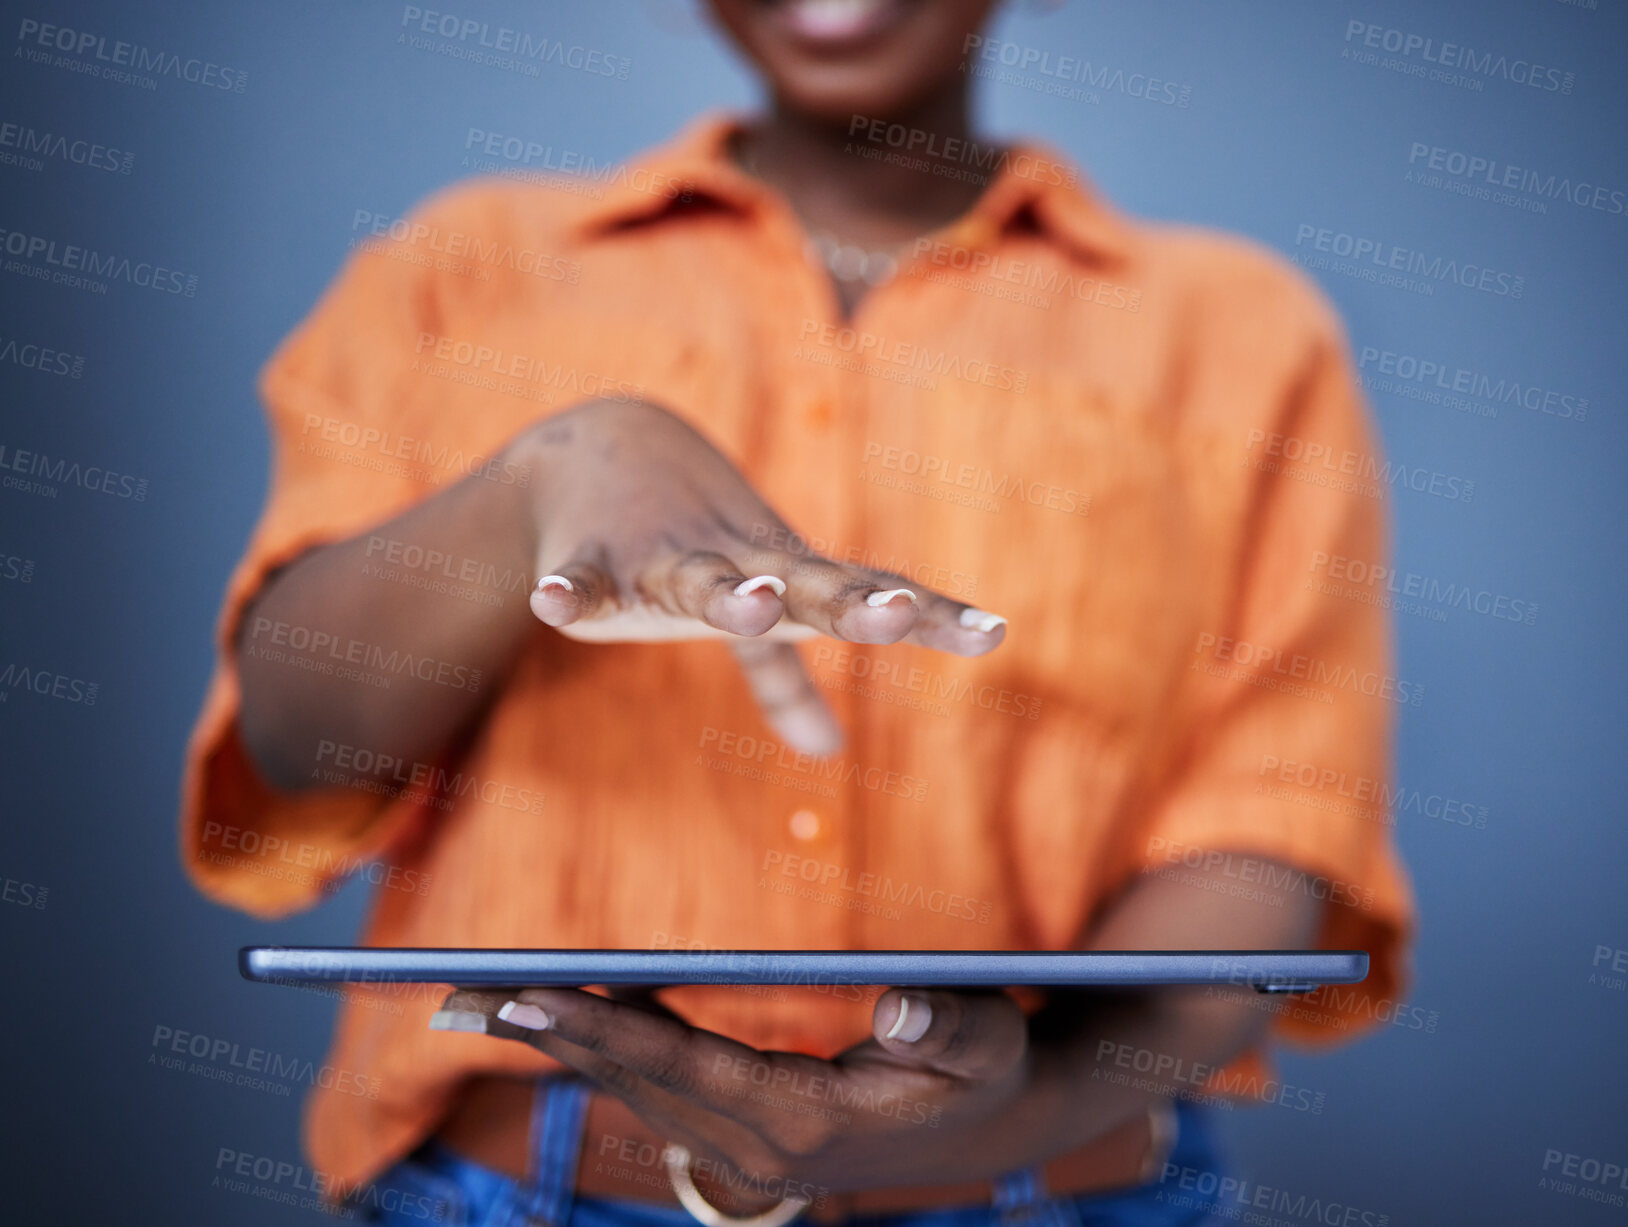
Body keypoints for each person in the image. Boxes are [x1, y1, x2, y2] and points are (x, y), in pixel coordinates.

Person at [183, 0, 1413, 1222]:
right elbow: (294, 736)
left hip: (1064, 1191)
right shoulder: (462, 267)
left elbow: (1268, 822)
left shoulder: (1244, 335)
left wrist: (1031, 1104)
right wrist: (540, 483)